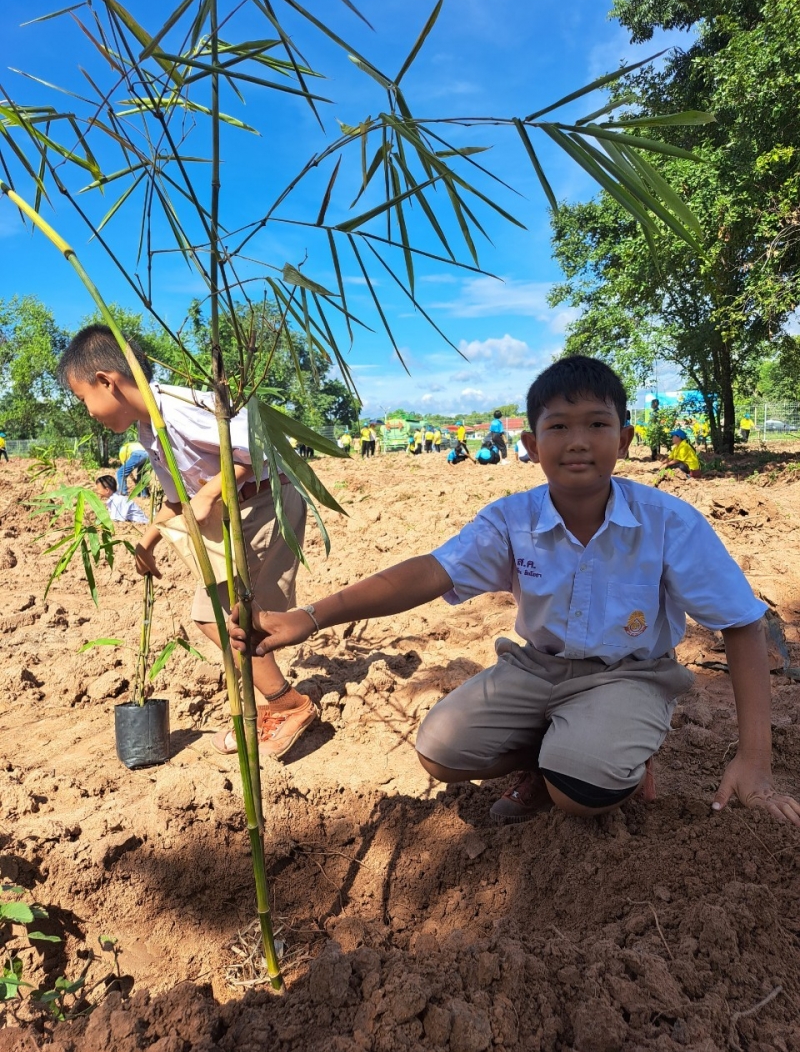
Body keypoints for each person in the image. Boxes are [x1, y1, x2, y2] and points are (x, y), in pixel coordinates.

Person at [229, 354, 800, 830]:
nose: (578, 442)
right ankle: (549, 758)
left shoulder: (667, 522)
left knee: (581, 790)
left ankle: (609, 760)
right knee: (439, 749)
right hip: (536, 670)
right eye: (558, 427)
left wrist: (755, 760)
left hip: (630, 675)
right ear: (530, 443)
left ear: (625, 439)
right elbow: (431, 571)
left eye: (597, 425)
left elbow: (741, 622)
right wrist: (310, 616)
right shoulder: (511, 521)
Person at [58, 323, 316, 761]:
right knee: (228, 618)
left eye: (83, 398)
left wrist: (210, 493)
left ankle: (289, 706)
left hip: (264, 504)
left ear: (106, 381)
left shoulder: (181, 408)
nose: (88, 411)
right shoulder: (149, 431)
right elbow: (178, 501)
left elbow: (260, 450)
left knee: (220, 617)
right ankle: (268, 708)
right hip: (239, 515)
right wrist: (147, 542)